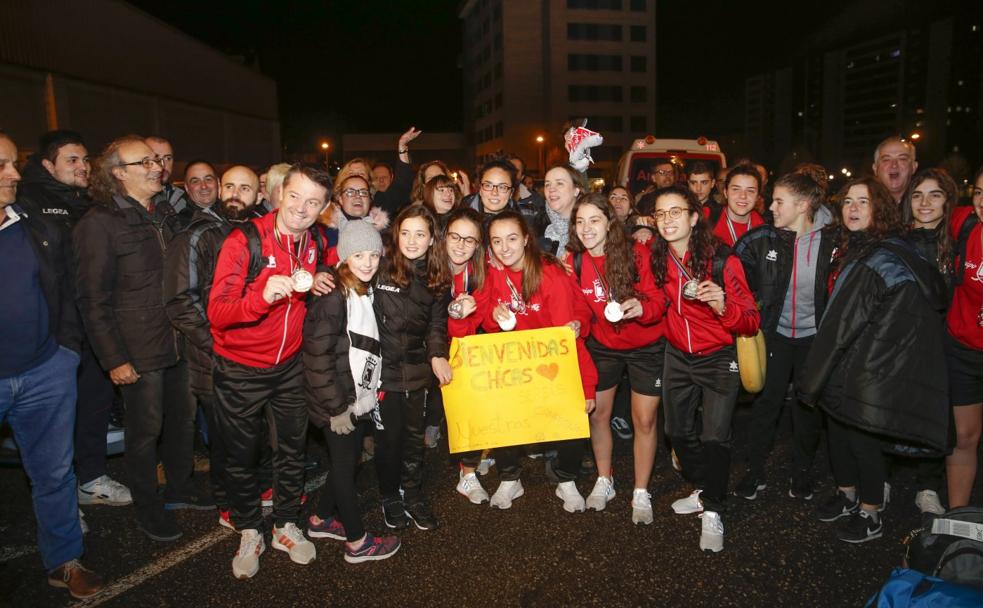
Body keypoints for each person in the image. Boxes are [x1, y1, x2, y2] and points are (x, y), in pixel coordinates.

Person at [800, 177, 948, 544]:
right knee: (838, 430)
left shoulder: (878, 255)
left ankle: (870, 512)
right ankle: (846, 493)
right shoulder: (858, 247)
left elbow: (844, 322)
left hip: (868, 362)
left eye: (863, 202)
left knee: (861, 437)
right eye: (848, 201)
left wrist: (811, 378)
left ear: (879, 209)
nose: (852, 208)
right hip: (853, 358)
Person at [75, 135, 203, 543]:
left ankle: (180, 488)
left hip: (179, 341)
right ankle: (149, 507)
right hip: (138, 348)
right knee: (144, 432)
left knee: (181, 422)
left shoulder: (166, 213)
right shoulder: (99, 224)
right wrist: (114, 359)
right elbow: (92, 300)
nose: (156, 167)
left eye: (156, 160)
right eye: (144, 162)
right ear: (117, 173)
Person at [208, 163, 333, 579]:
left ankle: (285, 523)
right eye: (295, 196)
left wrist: (318, 278)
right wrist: (260, 298)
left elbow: (328, 267)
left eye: (313, 201)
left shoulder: (314, 240)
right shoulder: (244, 239)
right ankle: (248, 529)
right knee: (242, 457)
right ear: (279, 193)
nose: (301, 208)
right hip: (240, 367)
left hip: (289, 366)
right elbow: (218, 313)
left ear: (324, 208)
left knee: (292, 450)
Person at [0, 131, 104, 600]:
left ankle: (64, 559)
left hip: (45, 370)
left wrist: (65, 351)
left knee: (54, 473)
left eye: (12, 164)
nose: (14, 175)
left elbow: (66, 287)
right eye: (2, 166)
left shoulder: (31, 222)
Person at [16, 130, 130, 509]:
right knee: (55, 420)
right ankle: (60, 499)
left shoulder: (86, 201)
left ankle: (91, 479)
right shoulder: (28, 203)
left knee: (94, 405)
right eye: (71, 160)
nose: (82, 167)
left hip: (91, 327)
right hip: (54, 334)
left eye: (84, 159)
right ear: (48, 165)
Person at [650, 185, 760, 552]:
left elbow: (749, 320)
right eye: (660, 214)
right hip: (677, 355)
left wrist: (723, 303)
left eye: (675, 212)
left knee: (715, 436)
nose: (667, 220)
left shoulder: (722, 261)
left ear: (694, 217)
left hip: (718, 356)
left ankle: (714, 507)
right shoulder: (654, 256)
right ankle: (704, 486)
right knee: (676, 432)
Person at [163, 165, 266, 531]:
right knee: (224, 436)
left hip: (257, 356)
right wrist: (218, 343)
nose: (237, 194)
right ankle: (228, 502)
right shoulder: (195, 235)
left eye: (246, 187)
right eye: (231, 186)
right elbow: (180, 301)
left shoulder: (260, 231)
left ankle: (254, 488)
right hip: (217, 357)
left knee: (252, 431)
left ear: (259, 193)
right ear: (221, 189)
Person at [478, 210, 598, 512]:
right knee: (504, 416)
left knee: (569, 414)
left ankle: (566, 479)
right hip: (513, 362)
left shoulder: (549, 273)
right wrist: (493, 316)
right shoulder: (492, 272)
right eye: (496, 241)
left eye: (512, 239)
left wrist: (586, 386)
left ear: (527, 239)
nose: (504, 248)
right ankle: (509, 478)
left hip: (553, 360)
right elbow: (487, 323)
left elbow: (567, 339)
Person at [565, 193, 667, 524]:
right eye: (580, 221)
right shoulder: (575, 259)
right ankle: (604, 479)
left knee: (644, 421)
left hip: (646, 344)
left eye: (594, 220)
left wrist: (643, 308)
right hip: (603, 345)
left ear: (610, 222)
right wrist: (579, 322)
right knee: (597, 414)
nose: (586, 228)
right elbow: (580, 304)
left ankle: (640, 490)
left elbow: (657, 299)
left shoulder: (636, 253)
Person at [732, 173, 834, 502]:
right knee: (765, 406)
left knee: (807, 408)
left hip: (815, 339)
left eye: (778, 201)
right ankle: (755, 471)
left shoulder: (834, 241)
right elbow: (729, 266)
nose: (770, 206)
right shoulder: (763, 238)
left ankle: (801, 473)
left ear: (803, 205)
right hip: (774, 334)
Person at [303, 221, 401, 563]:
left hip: (355, 396)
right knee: (346, 467)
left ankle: (319, 519)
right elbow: (317, 358)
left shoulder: (362, 288)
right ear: (345, 256)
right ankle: (357, 542)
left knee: (348, 461)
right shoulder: (333, 295)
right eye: (359, 254)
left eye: (374, 254)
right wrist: (337, 407)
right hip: (338, 402)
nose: (368, 262)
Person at [372, 206, 452, 530]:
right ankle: (389, 496)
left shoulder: (436, 278)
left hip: (417, 373)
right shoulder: (378, 266)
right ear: (396, 234)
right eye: (405, 232)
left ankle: (414, 494)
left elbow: (437, 324)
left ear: (432, 238)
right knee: (387, 441)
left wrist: (437, 354)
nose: (412, 240)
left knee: (414, 439)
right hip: (382, 374)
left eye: (420, 234)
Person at [900, 168, 957, 515]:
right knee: (896, 407)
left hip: (943, 341)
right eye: (918, 195)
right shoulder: (898, 239)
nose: (925, 203)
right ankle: (885, 477)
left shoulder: (956, 241)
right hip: (902, 338)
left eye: (934, 195)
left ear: (947, 201)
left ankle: (928, 485)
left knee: (936, 412)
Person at [440, 207, 491, 503]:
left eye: (469, 240)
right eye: (455, 236)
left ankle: (467, 472)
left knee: (471, 410)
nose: (460, 245)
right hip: (426, 350)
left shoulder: (480, 273)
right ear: (443, 237)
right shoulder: (427, 265)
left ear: (477, 246)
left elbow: (474, 323)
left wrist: (459, 319)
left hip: (464, 347)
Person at [944, 166, 983, 508]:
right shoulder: (964, 223)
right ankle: (959, 521)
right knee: (964, 437)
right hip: (962, 349)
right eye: (981, 192)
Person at [709, 164, 766, 247]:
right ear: (725, 193)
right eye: (736, 189)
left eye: (750, 191)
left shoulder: (763, 229)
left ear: (758, 196)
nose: (743, 196)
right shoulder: (707, 218)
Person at [538, 165, 585, 254]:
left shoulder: (588, 228)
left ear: (576, 190)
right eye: (547, 184)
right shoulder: (539, 226)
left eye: (559, 183)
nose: (551, 189)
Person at [466, 159, 520, 225]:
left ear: (511, 193)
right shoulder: (462, 218)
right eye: (488, 185)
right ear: (480, 189)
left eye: (502, 187)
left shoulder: (522, 221)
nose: (494, 193)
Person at [146, 136, 188, 213]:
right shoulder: (123, 200)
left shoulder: (183, 200)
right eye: (156, 158)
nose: (163, 165)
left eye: (168, 158)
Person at [872, 136, 918, 204]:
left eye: (902, 159)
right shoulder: (863, 207)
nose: (894, 165)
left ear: (914, 167)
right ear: (875, 168)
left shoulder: (925, 206)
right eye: (886, 160)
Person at [507, 154, 547, 226]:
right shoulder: (495, 198)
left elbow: (542, 231)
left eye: (516, 171)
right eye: (509, 170)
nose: (512, 174)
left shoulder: (536, 199)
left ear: (522, 177)